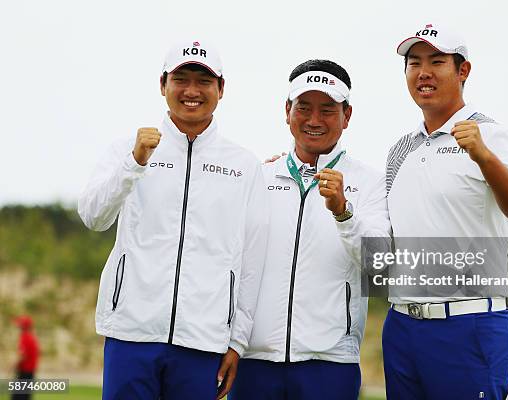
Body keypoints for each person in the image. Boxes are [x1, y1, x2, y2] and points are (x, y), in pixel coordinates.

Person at [78, 39, 269, 400]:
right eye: (182, 79)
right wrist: (134, 163)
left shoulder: (243, 165)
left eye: (204, 80)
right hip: (131, 333)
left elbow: (252, 263)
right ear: (163, 84)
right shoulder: (128, 149)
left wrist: (237, 342)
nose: (192, 91)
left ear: (221, 89)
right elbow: (93, 216)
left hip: (203, 340)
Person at [383, 23, 508, 400]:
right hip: (402, 327)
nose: (423, 72)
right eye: (414, 63)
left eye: (437, 61)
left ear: (463, 70)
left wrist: (484, 156)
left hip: (470, 324)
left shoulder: (492, 134)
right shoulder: (399, 150)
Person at [229, 60, 391, 400]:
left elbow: (379, 266)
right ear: (287, 111)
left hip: (329, 363)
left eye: (328, 110)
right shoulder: (258, 177)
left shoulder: (372, 183)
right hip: (254, 360)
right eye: (304, 107)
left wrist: (344, 213)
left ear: (347, 116)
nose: (314, 120)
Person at [12, 316, 39, 400]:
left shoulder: (25, 337)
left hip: (25, 371)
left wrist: (13, 365)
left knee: (19, 396)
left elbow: (22, 355)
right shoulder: (31, 337)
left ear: (23, 326)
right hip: (29, 371)